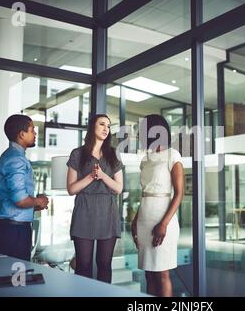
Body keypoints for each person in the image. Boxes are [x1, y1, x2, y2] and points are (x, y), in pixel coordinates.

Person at [131, 114, 184, 297]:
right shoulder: (145, 159)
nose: (138, 136)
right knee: (149, 273)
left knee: (162, 272)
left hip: (164, 219)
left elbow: (179, 194)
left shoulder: (173, 155)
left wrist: (163, 224)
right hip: (144, 218)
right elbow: (145, 193)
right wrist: (135, 220)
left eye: (141, 131)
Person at [66, 114, 123, 282]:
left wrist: (103, 176)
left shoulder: (113, 155)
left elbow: (119, 188)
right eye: (102, 124)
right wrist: (91, 176)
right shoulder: (77, 154)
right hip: (84, 211)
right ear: (92, 127)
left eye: (109, 126)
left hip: (108, 213)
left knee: (105, 264)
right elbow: (71, 189)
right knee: (83, 265)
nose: (106, 129)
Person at [0, 115, 49, 261]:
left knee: (11, 279)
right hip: (13, 232)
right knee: (17, 280)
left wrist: (34, 205)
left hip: (12, 229)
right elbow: (20, 200)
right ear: (22, 134)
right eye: (32, 130)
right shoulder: (16, 159)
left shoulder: (12, 156)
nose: (35, 134)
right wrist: (39, 200)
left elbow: (16, 202)